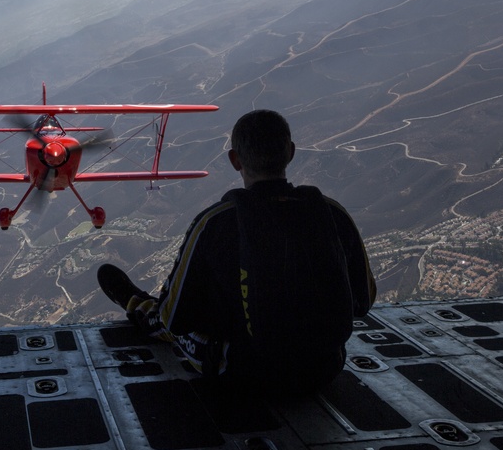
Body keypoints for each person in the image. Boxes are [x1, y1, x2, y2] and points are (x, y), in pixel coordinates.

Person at [97, 109, 376, 394]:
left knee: (174, 327)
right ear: (291, 153)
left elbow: (175, 318)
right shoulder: (332, 213)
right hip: (323, 368)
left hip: (244, 371)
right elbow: (363, 300)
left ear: (234, 160)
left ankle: (137, 306)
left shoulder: (215, 222)